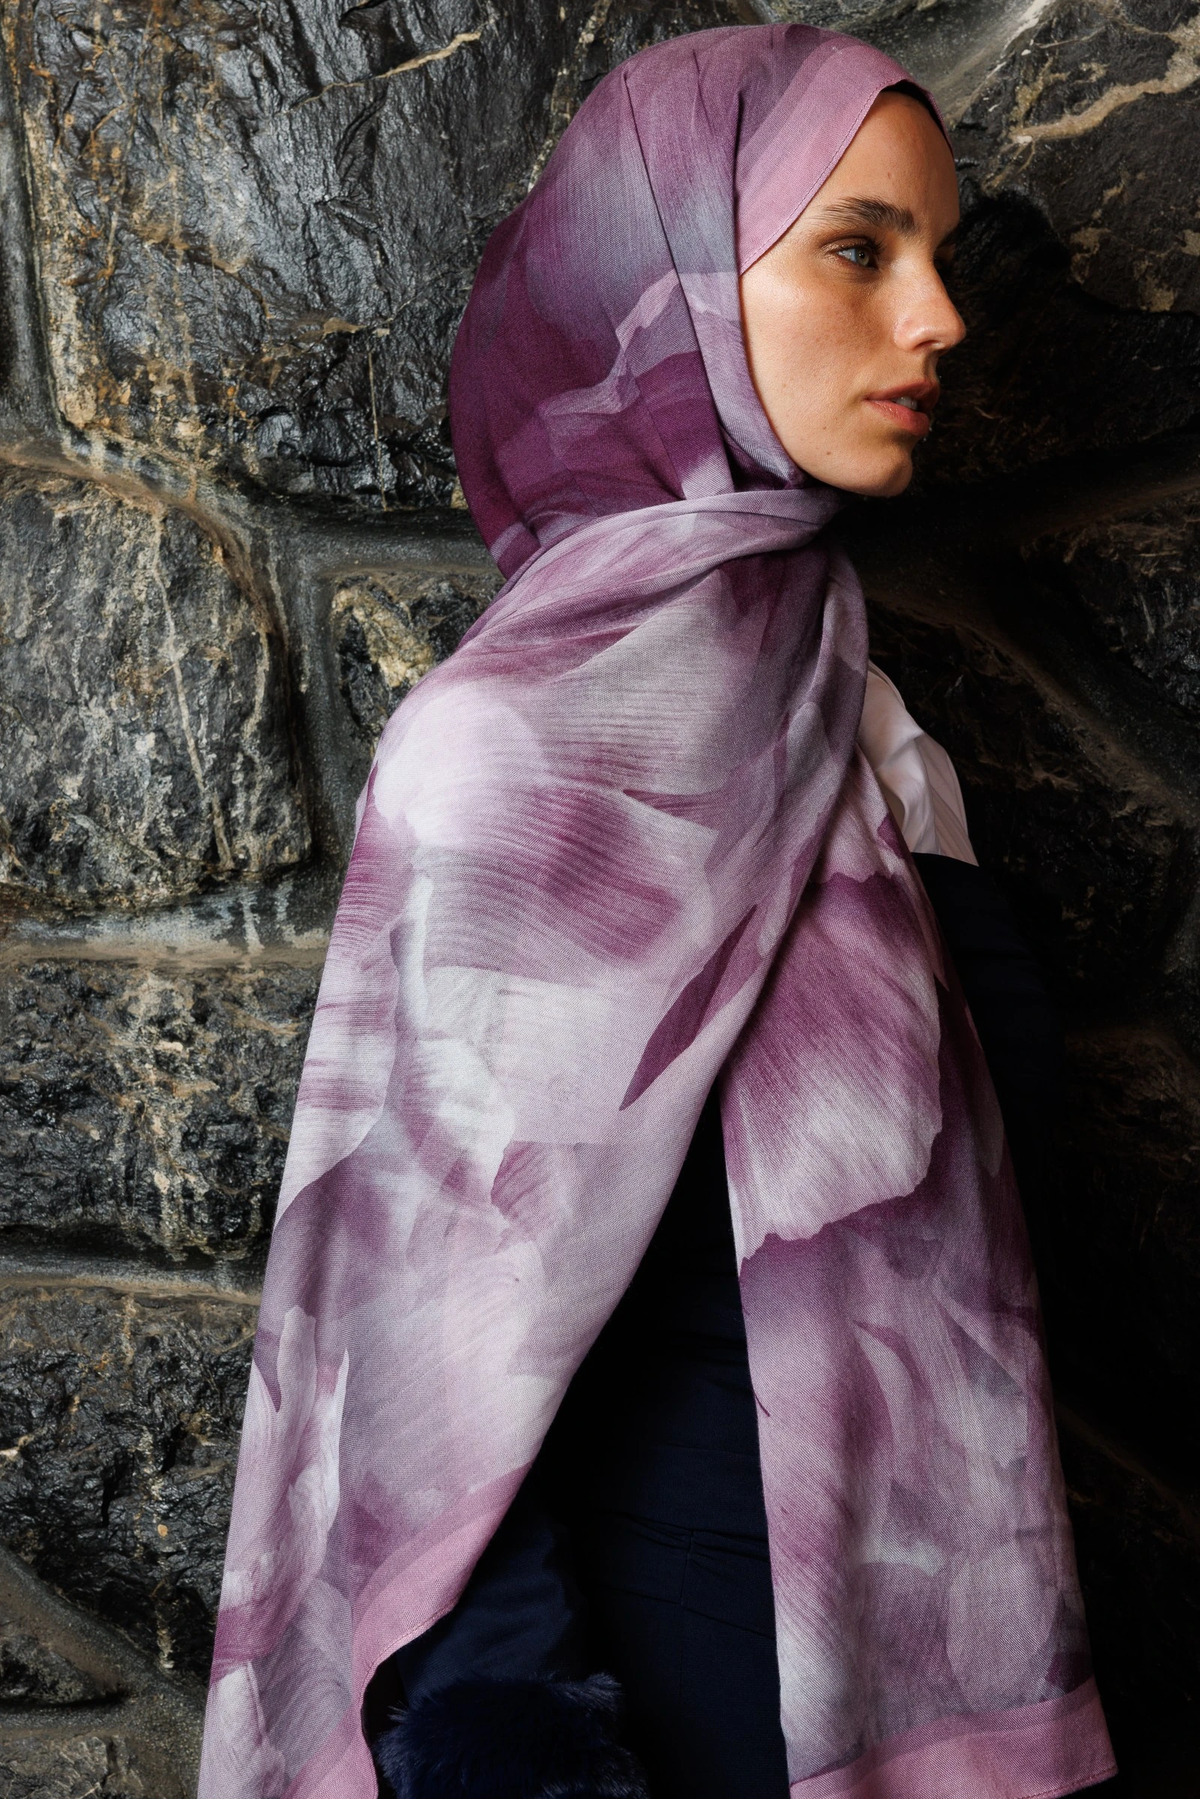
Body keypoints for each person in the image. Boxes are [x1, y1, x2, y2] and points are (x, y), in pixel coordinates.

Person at [198, 24, 1117, 1800]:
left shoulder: (870, 730)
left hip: (938, 1696)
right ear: (672, 289)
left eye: (935, 256)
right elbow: (424, 1381)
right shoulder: (505, 753)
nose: (938, 318)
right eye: (858, 250)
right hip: (654, 1726)